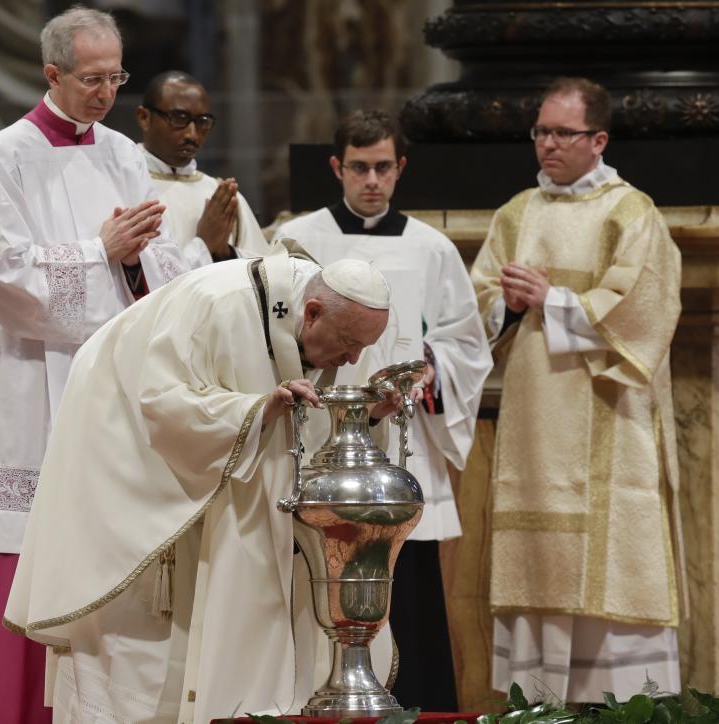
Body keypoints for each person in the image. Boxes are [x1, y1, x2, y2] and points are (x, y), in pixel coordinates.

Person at [5, 252, 400, 723]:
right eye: (349, 345)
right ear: (311, 311)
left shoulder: (335, 319)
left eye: (363, 348)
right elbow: (163, 404)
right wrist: (255, 412)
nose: (354, 358)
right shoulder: (217, 304)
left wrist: (370, 413)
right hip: (133, 454)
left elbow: (316, 424)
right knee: (148, 655)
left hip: (234, 484)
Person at [0, 7, 194, 723]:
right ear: (52, 74)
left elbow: (159, 259)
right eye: (91, 78)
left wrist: (144, 258)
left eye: (116, 77)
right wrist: (101, 254)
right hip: (32, 386)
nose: (106, 93)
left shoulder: (122, 152)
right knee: (35, 548)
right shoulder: (3, 158)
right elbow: (1, 278)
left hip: (108, 390)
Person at [470, 77, 685, 704]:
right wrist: (506, 308)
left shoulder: (631, 212)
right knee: (536, 565)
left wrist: (552, 301)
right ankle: (535, 706)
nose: (547, 145)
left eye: (563, 133)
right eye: (541, 131)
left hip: (606, 416)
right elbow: (475, 303)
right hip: (534, 424)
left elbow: (646, 309)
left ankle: (619, 709)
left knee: (610, 568)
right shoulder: (516, 213)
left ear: (598, 140)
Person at [272, 109, 493, 711]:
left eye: (384, 167)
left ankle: (418, 707)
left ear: (401, 169)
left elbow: (466, 344)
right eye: (360, 167)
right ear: (337, 167)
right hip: (322, 440)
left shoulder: (432, 247)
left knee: (411, 589)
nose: (372, 180)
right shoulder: (298, 239)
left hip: (402, 443)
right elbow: (275, 330)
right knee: (321, 569)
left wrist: (429, 365)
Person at [136, 70, 271, 263]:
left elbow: (263, 270)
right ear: (144, 118)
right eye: (179, 118)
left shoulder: (220, 195)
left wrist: (224, 253)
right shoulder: (124, 185)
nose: (192, 134)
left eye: (202, 122)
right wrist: (204, 245)